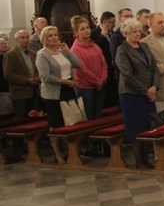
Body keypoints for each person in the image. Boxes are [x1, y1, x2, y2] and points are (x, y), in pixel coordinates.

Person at [115, 18, 158, 169]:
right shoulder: (122, 50)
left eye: (139, 31)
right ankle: (139, 161)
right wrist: (145, 90)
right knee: (135, 128)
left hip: (149, 92)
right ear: (126, 33)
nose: (138, 34)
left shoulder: (144, 46)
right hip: (131, 95)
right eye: (134, 32)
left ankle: (146, 159)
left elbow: (154, 69)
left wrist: (153, 87)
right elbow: (127, 74)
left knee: (148, 125)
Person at [36, 26, 81, 164]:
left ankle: (70, 151)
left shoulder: (62, 51)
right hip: (53, 93)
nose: (55, 37)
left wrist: (68, 51)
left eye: (56, 35)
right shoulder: (42, 54)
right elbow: (44, 77)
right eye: (50, 36)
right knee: (56, 124)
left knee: (69, 122)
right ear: (45, 39)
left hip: (68, 90)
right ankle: (58, 154)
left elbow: (77, 64)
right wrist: (63, 81)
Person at [70, 16, 108, 121]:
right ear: (76, 33)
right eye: (82, 29)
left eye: (87, 28)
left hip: (99, 85)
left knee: (98, 114)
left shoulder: (95, 46)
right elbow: (82, 69)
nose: (87, 30)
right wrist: (97, 81)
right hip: (85, 87)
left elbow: (103, 63)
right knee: (88, 116)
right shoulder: (75, 49)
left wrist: (103, 79)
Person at [2, 30, 41, 120]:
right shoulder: (10, 54)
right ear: (17, 40)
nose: (25, 40)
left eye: (27, 37)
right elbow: (8, 74)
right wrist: (26, 80)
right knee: (22, 119)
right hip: (20, 93)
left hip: (33, 91)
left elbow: (37, 69)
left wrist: (37, 77)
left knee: (35, 118)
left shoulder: (32, 53)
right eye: (22, 38)